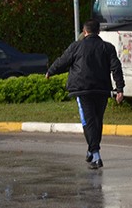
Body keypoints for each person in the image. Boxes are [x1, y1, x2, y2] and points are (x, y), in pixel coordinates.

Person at [46, 19, 125, 170]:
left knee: (88, 122)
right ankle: (91, 150)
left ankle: (96, 155)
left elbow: (63, 61)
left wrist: (51, 71)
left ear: (85, 32)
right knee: (97, 121)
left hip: (83, 90)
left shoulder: (76, 46)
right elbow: (116, 67)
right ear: (99, 32)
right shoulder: (107, 47)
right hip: (102, 90)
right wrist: (119, 88)